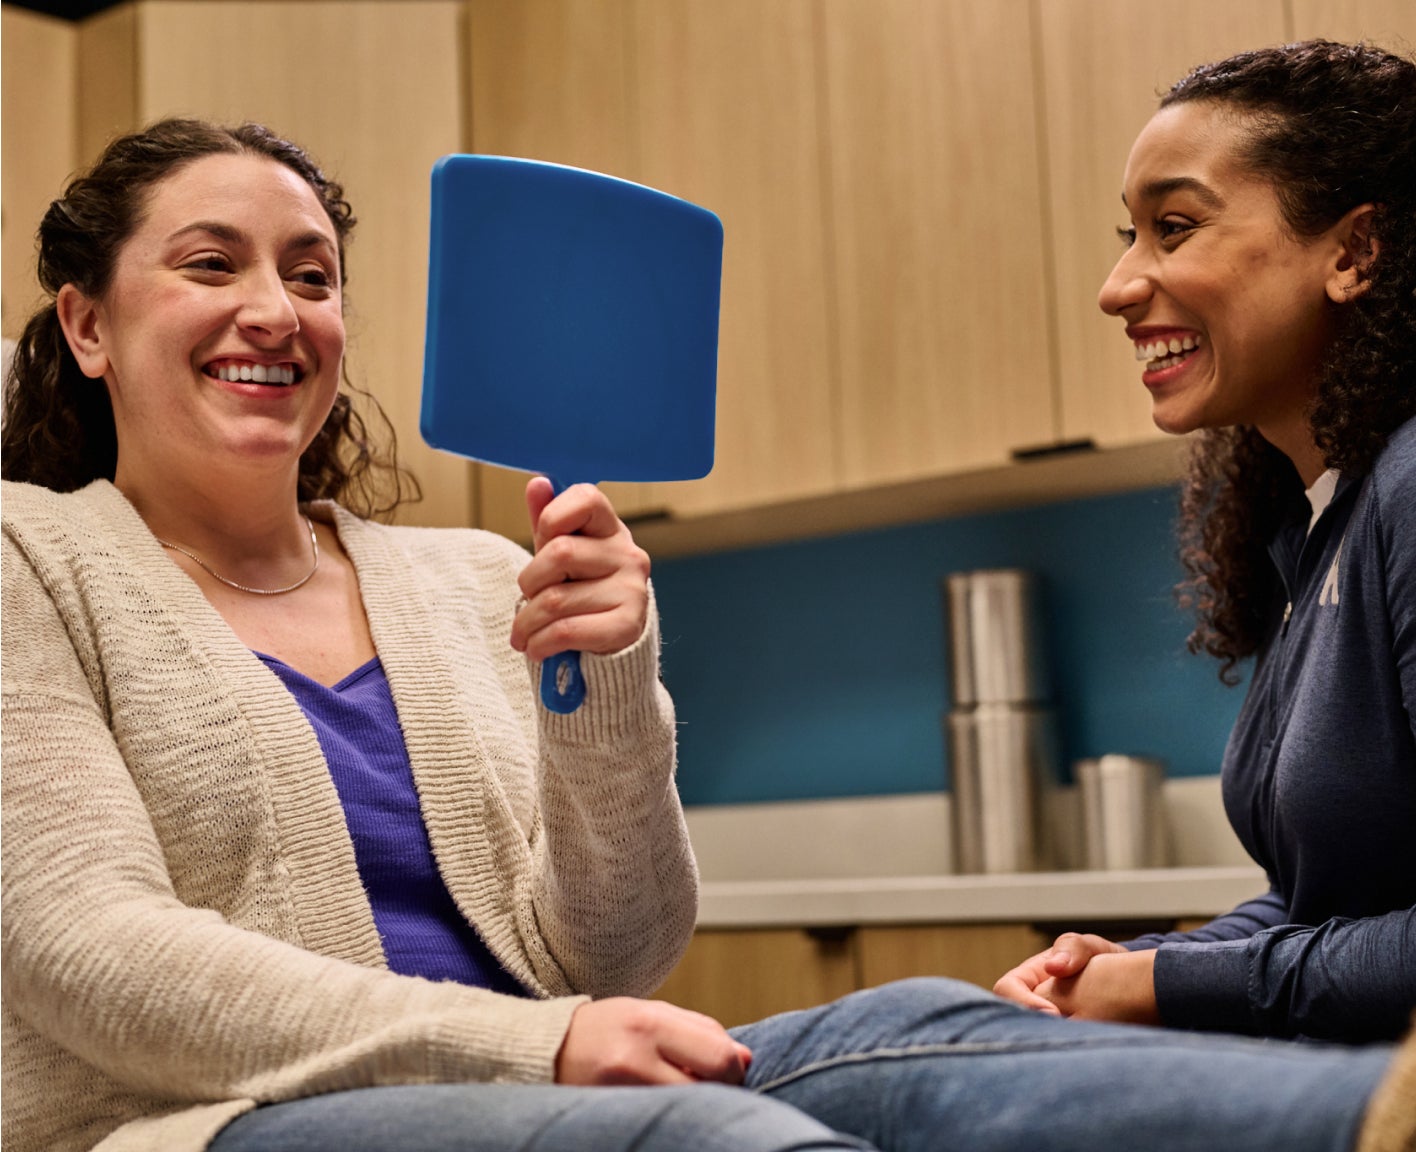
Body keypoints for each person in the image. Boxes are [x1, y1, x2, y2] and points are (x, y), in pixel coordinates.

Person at [0, 108, 1407, 1152]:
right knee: (712, 1143)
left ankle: (1365, 1117)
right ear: (87, 323)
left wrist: (607, 689)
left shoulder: (474, 575)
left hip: (527, 1079)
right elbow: (86, 949)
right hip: (214, 1121)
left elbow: (618, 954)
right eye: (210, 264)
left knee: (924, 1038)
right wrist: (536, 1041)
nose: (275, 309)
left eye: (312, 275)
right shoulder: (28, 560)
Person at [994, 39, 1416, 1047]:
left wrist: (1164, 989)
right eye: (1129, 235)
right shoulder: (1326, 522)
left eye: (1172, 229)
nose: (1118, 287)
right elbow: (1320, 909)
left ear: (1354, 253)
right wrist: (1147, 964)